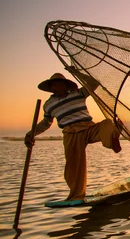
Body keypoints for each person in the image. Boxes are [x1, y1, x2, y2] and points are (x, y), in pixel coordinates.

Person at [24, 69, 122, 202]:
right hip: (70, 133)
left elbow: (94, 83)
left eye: (60, 83)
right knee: (74, 165)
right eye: (54, 84)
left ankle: (112, 139)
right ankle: (76, 195)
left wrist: (77, 72)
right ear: (51, 87)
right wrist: (31, 133)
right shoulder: (48, 105)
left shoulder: (78, 93)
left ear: (66, 86)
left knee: (107, 124)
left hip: (88, 127)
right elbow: (45, 123)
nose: (57, 86)